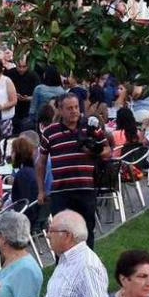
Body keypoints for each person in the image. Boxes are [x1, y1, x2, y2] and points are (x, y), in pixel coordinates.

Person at [37, 93, 110, 249]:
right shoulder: (50, 132)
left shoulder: (90, 127)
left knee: (86, 232)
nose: (74, 111)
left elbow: (107, 151)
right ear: (60, 110)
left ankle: (87, 267)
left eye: (76, 107)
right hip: (60, 192)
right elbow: (41, 162)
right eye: (69, 108)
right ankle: (63, 269)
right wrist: (41, 190)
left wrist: (93, 151)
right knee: (61, 234)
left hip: (85, 189)